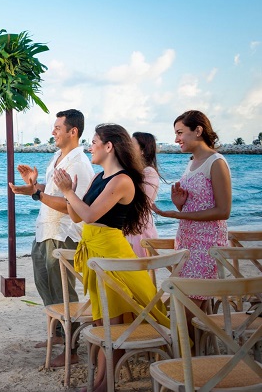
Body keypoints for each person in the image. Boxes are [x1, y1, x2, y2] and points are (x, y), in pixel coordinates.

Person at [53, 123, 168, 392]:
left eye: (94, 141)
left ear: (109, 146)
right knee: (102, 320)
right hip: (95, 250)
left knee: (112, 323)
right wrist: (70, 192)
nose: (90, 146)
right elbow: (78, 216)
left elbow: (91, 215)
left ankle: (106, 384)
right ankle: (102, 381)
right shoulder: (98, 177)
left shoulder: (122, 180)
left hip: (111, 253)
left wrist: (69, 192)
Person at [8, 109, 94, 366]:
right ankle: (57, 336)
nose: (53, 132)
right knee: (46, 287)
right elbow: (52, 191)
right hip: (44, 230)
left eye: (58, 128)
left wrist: (38, 195)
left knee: (64, 292)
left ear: (73, 131)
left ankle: (73, 349)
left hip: (64, 234)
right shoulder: (58, 156)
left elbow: (75, 204)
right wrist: (32, 187)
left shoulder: (80, 164)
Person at [153, 110, 231, 309]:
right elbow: (198, 204)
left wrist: (178, 214)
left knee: (189, 310)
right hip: (186, 240)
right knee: (187, 306)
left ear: (198, 130)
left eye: (180, 132)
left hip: (207, 243)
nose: (176, 139)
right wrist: (179, 202)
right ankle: (197, 342)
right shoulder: (192, 162)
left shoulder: (216, 162)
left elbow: (223, 211)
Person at [125, 132, 162, 257]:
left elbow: (140, 203)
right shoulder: (135, 172)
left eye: (131, 144)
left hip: (139, 230)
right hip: (130, 228)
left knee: (140, 271)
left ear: (142, 150)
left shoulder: (148, 172)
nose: (127, 146)